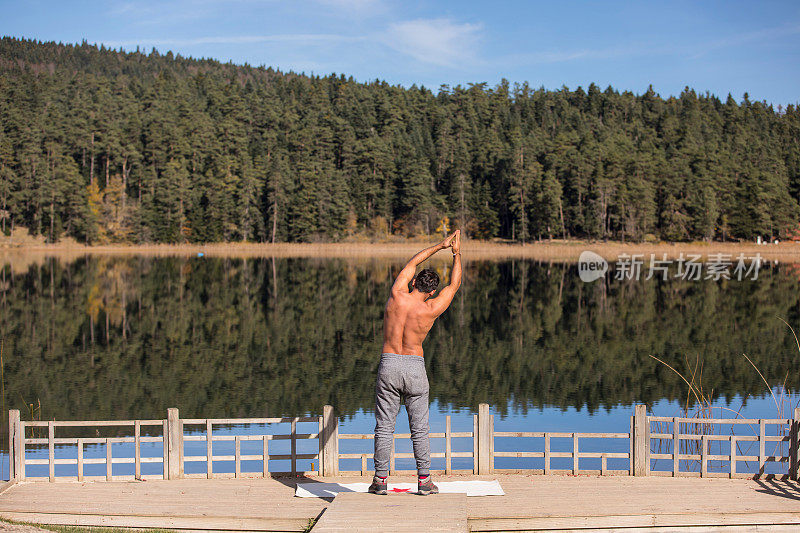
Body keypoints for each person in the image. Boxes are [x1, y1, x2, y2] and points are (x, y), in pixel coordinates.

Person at [368, 230, 462, 496]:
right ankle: (424, 482)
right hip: (414, 366)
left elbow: (412, 262)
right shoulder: (430, 308)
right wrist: (456, 253)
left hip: (389, 363)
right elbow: (454, 285)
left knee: (384, 426)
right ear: (432, 290)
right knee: (419, 429)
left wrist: (440, 246)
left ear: (414, 283)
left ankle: (380, 481)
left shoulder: (397, 294)